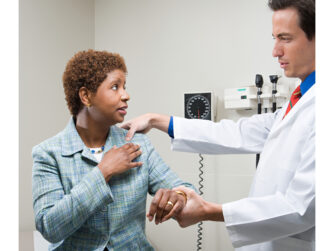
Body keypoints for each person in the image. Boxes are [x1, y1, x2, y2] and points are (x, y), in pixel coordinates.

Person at [121, 0, 315, 250]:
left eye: (285, 38)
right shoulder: (299, 100)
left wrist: (208, 211)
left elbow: (300, 208)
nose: (275, 51)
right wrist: (156, 120)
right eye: (274, 38)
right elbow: (236, 133)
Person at [32, 50, 194, 251]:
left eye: (124, 87)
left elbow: (183, 189)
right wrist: (103, 172)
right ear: (85, 96)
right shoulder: (48, 153)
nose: (126, 95)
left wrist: (178, 196)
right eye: (115, 87)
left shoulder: (139, 145)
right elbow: (49, 227)